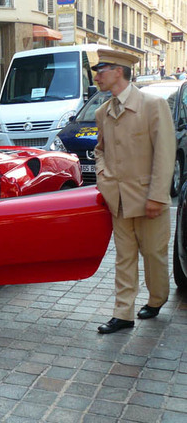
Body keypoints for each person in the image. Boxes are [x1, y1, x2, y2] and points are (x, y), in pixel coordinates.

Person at [93, 49, 176, 334]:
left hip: (148, 198)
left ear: (119, 70)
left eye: (100, 69)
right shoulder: (102, 112)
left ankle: (156, 299)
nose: (96, 76)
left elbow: (165, 153)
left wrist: (157, 196)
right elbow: (100, 150)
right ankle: (123, 314)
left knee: (154, 255)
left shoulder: (153, 106)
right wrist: (104, 176)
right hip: (118, 201)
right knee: (124, 257)